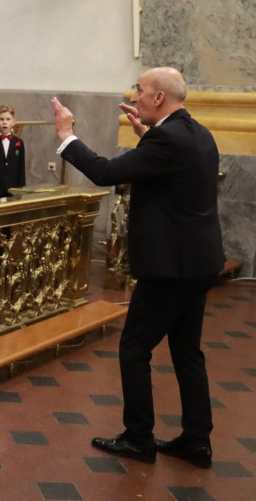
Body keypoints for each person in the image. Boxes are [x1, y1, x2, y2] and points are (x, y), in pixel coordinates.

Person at [52, 67, 224, 468]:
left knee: (133, 347)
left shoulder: (167, 138)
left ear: (160, 98)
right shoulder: (196, 132)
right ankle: (197, 442)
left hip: (170, 267)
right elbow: (170, 169)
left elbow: (106, 173)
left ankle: (138, 438)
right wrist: (146, 139)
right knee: (187, 352)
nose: (136, 96)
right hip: (198, 262)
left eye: (141, 90)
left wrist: (66, 136)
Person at [0, 105, 25, 199]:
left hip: (13, 192)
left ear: (13, 122)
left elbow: (21, 169)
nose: (4, 122)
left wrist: (20, 191)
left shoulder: (19, 143)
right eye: (1, 119)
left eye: (8, 119)